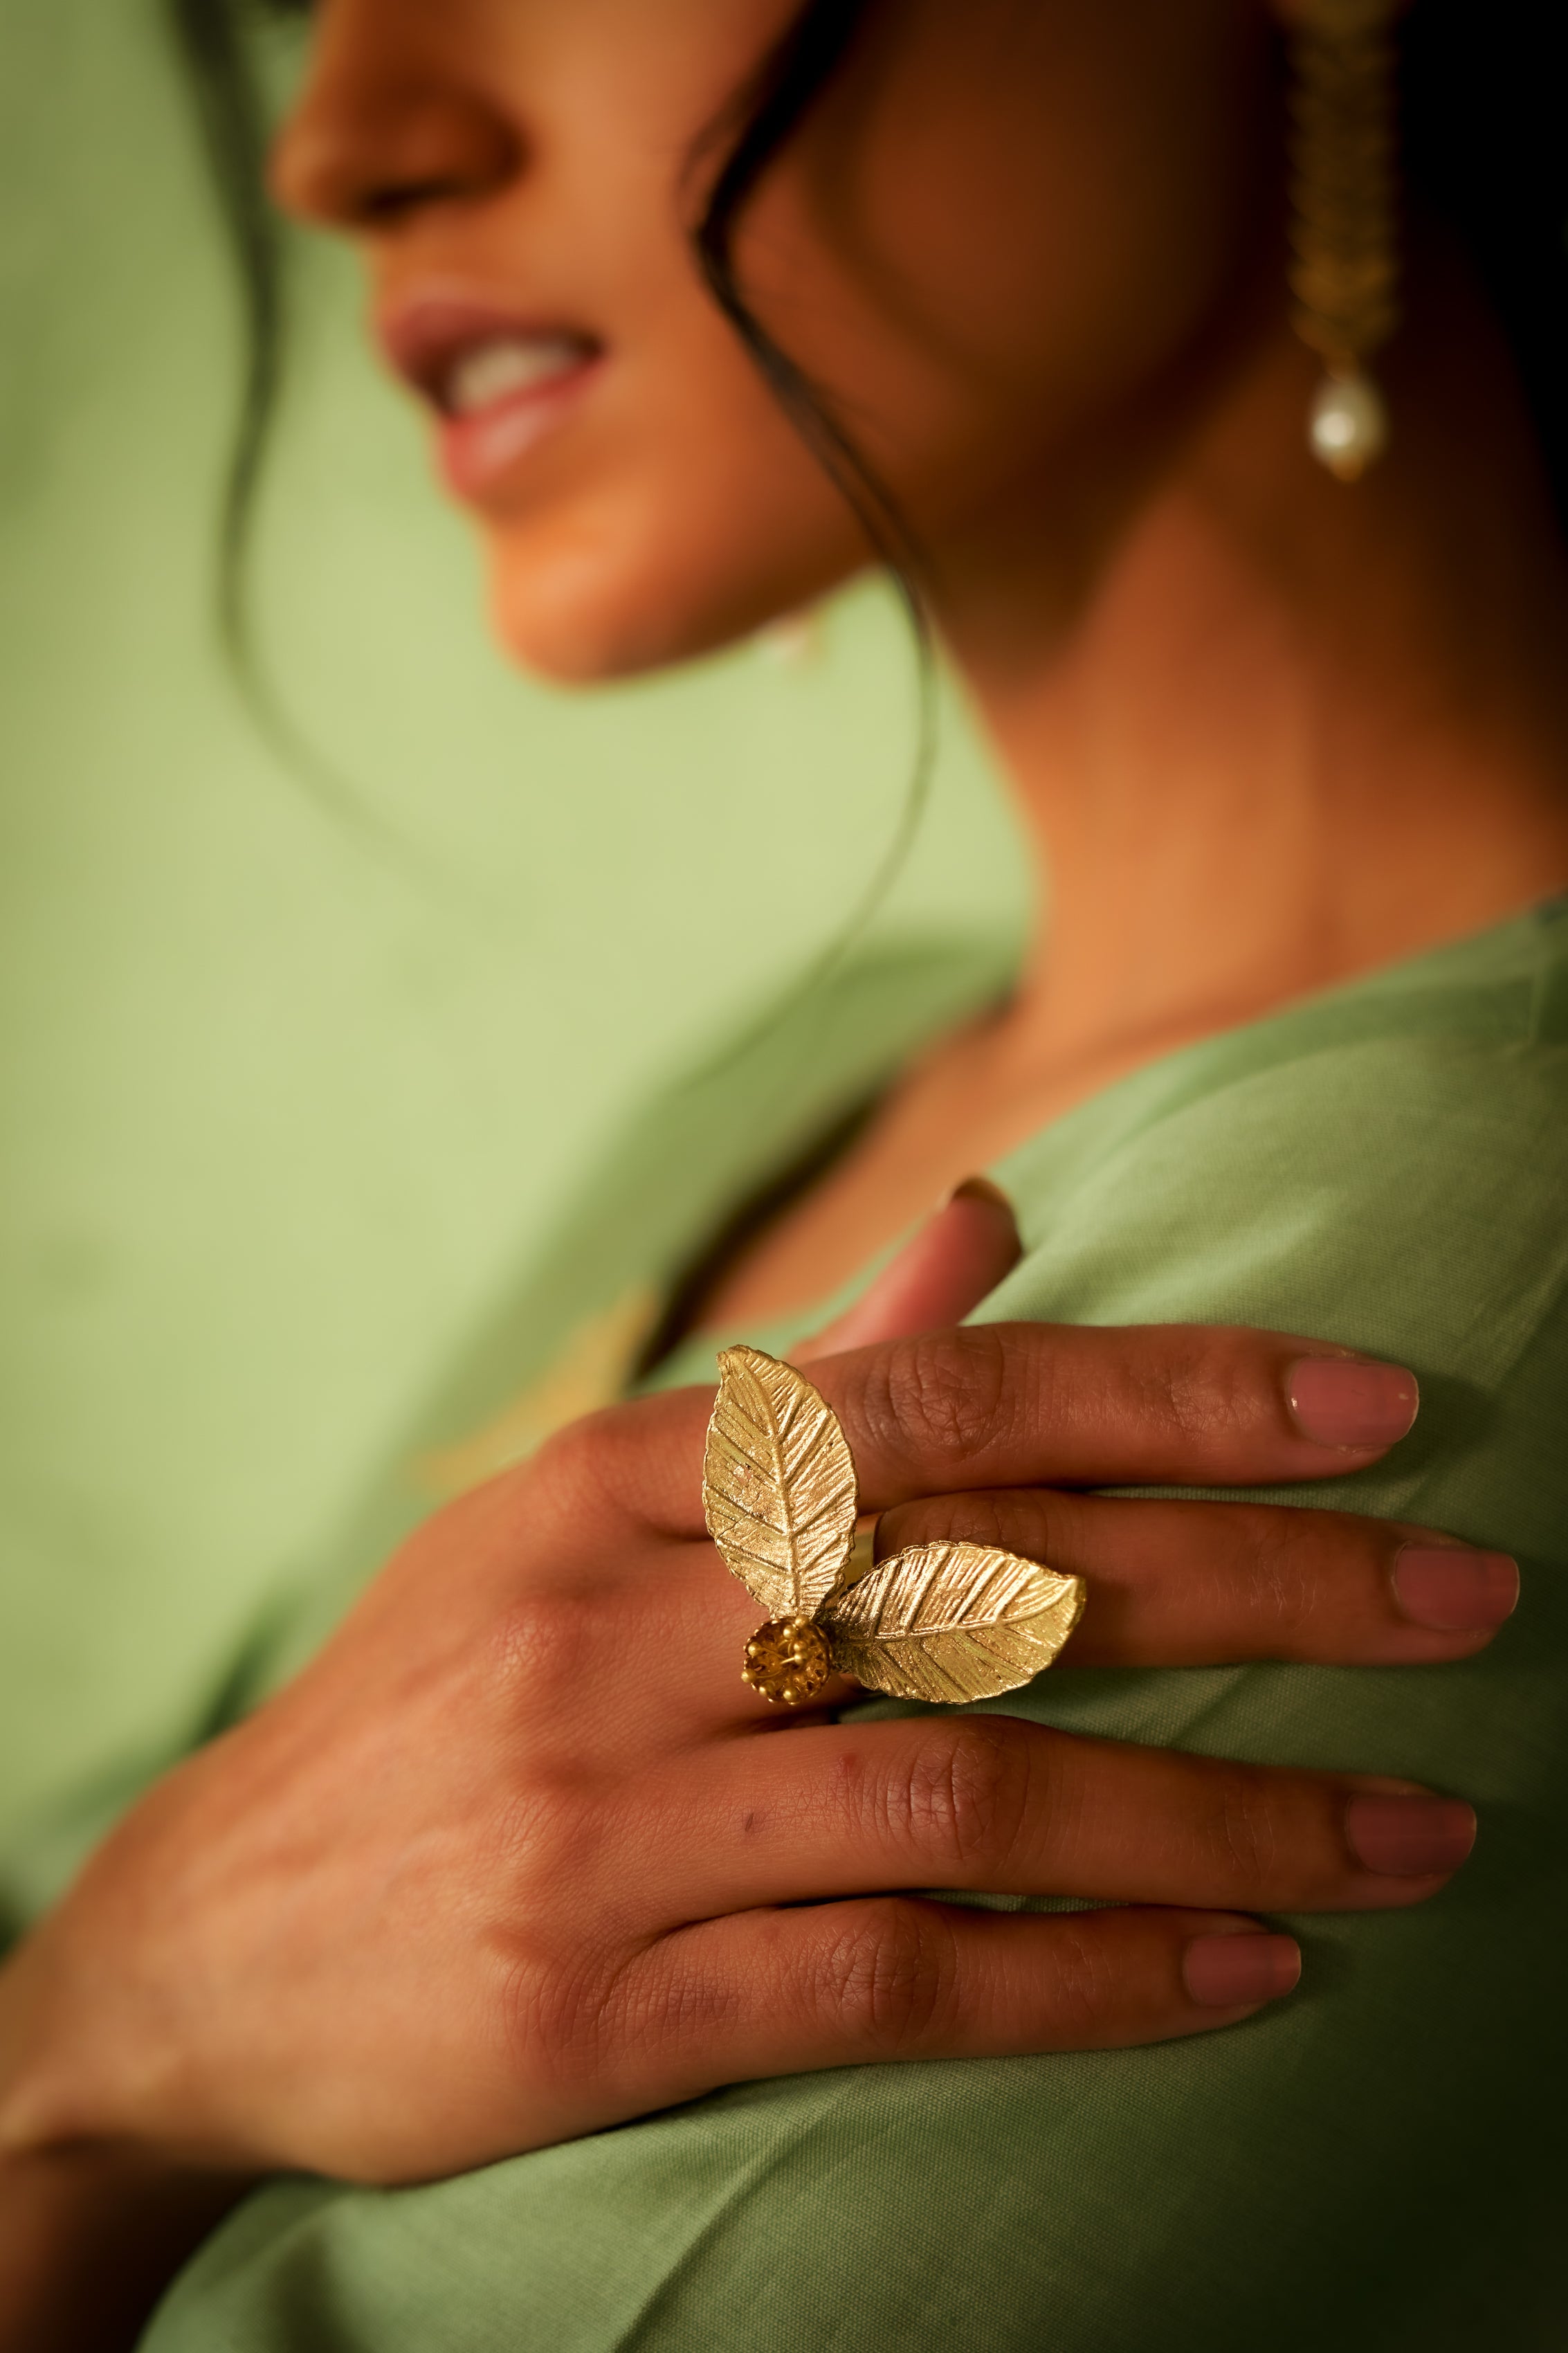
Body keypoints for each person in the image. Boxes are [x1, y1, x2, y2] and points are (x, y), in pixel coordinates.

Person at [2, 0, 1566, 2344]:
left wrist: (82, 2082)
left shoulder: (1445, 1246)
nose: (343, 141)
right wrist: (97, 2034)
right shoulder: (805, 1080)